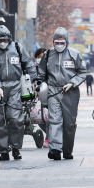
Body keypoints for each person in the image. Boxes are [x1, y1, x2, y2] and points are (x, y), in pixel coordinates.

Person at [0, 25, 37, 161]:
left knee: (15, 119)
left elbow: (29, 63)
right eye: (0, 39)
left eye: (4, 39)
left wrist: (32, 80)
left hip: (15, 86)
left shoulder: (18, 48)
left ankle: (15, 148)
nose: (2, 42)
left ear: (9, 38)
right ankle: (3, 150)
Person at [37, 27, 88, 160]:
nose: (59, 45)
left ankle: (67, 150)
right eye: (57, 42)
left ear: (67, 42)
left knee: (69, 123)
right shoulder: (48, 55)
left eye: (62, 42)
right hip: (54, 91)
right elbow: (41, 73)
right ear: (53, 42)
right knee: (54, 120)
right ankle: (55, 149)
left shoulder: (75, 54)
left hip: (70, 92)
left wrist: (72, 83)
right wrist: (38, 85)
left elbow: (82, 72)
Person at [34, 47, 49, 148]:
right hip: (36, 97)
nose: (41, 59)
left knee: (49, 118)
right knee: (38, 118)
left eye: (43, 57)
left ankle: (48, 138)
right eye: (39, 57)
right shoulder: (33, 68)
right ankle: (49, 134)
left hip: (48, 95)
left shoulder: (49, 66)